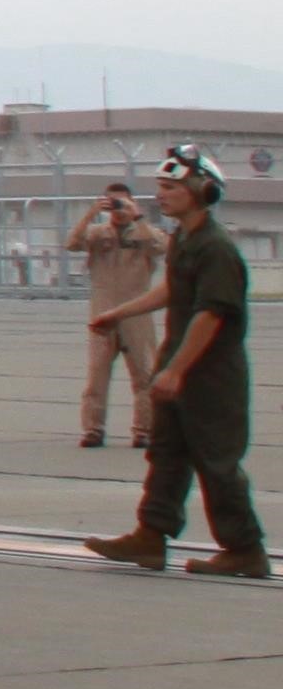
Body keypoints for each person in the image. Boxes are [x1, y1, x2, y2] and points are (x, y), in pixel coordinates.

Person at [91, 148, 262, 578]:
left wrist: (176, 370)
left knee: (216, 461)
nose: (160, 195)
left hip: (210, 377)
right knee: (166, 454)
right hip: (181, 369)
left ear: (199, 191)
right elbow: (172, 289)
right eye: (160, 187)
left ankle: (245, 549)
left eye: (170, 187)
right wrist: (119, 313)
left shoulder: (216, 247)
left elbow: (211, 313)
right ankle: (151, 536)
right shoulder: (185, 240)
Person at [73, 185, 170, 448]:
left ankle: (143, 430)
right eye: (112, 204)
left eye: (122, 204)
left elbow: (161, 247)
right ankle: (93, 428)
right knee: (97, 375)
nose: (117, 210)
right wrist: (91, 213)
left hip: (136, 310)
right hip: (102, 309)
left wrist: (137, 217)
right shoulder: (97, 233)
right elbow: (72, 243)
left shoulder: (145, 232)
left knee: (144, 373)